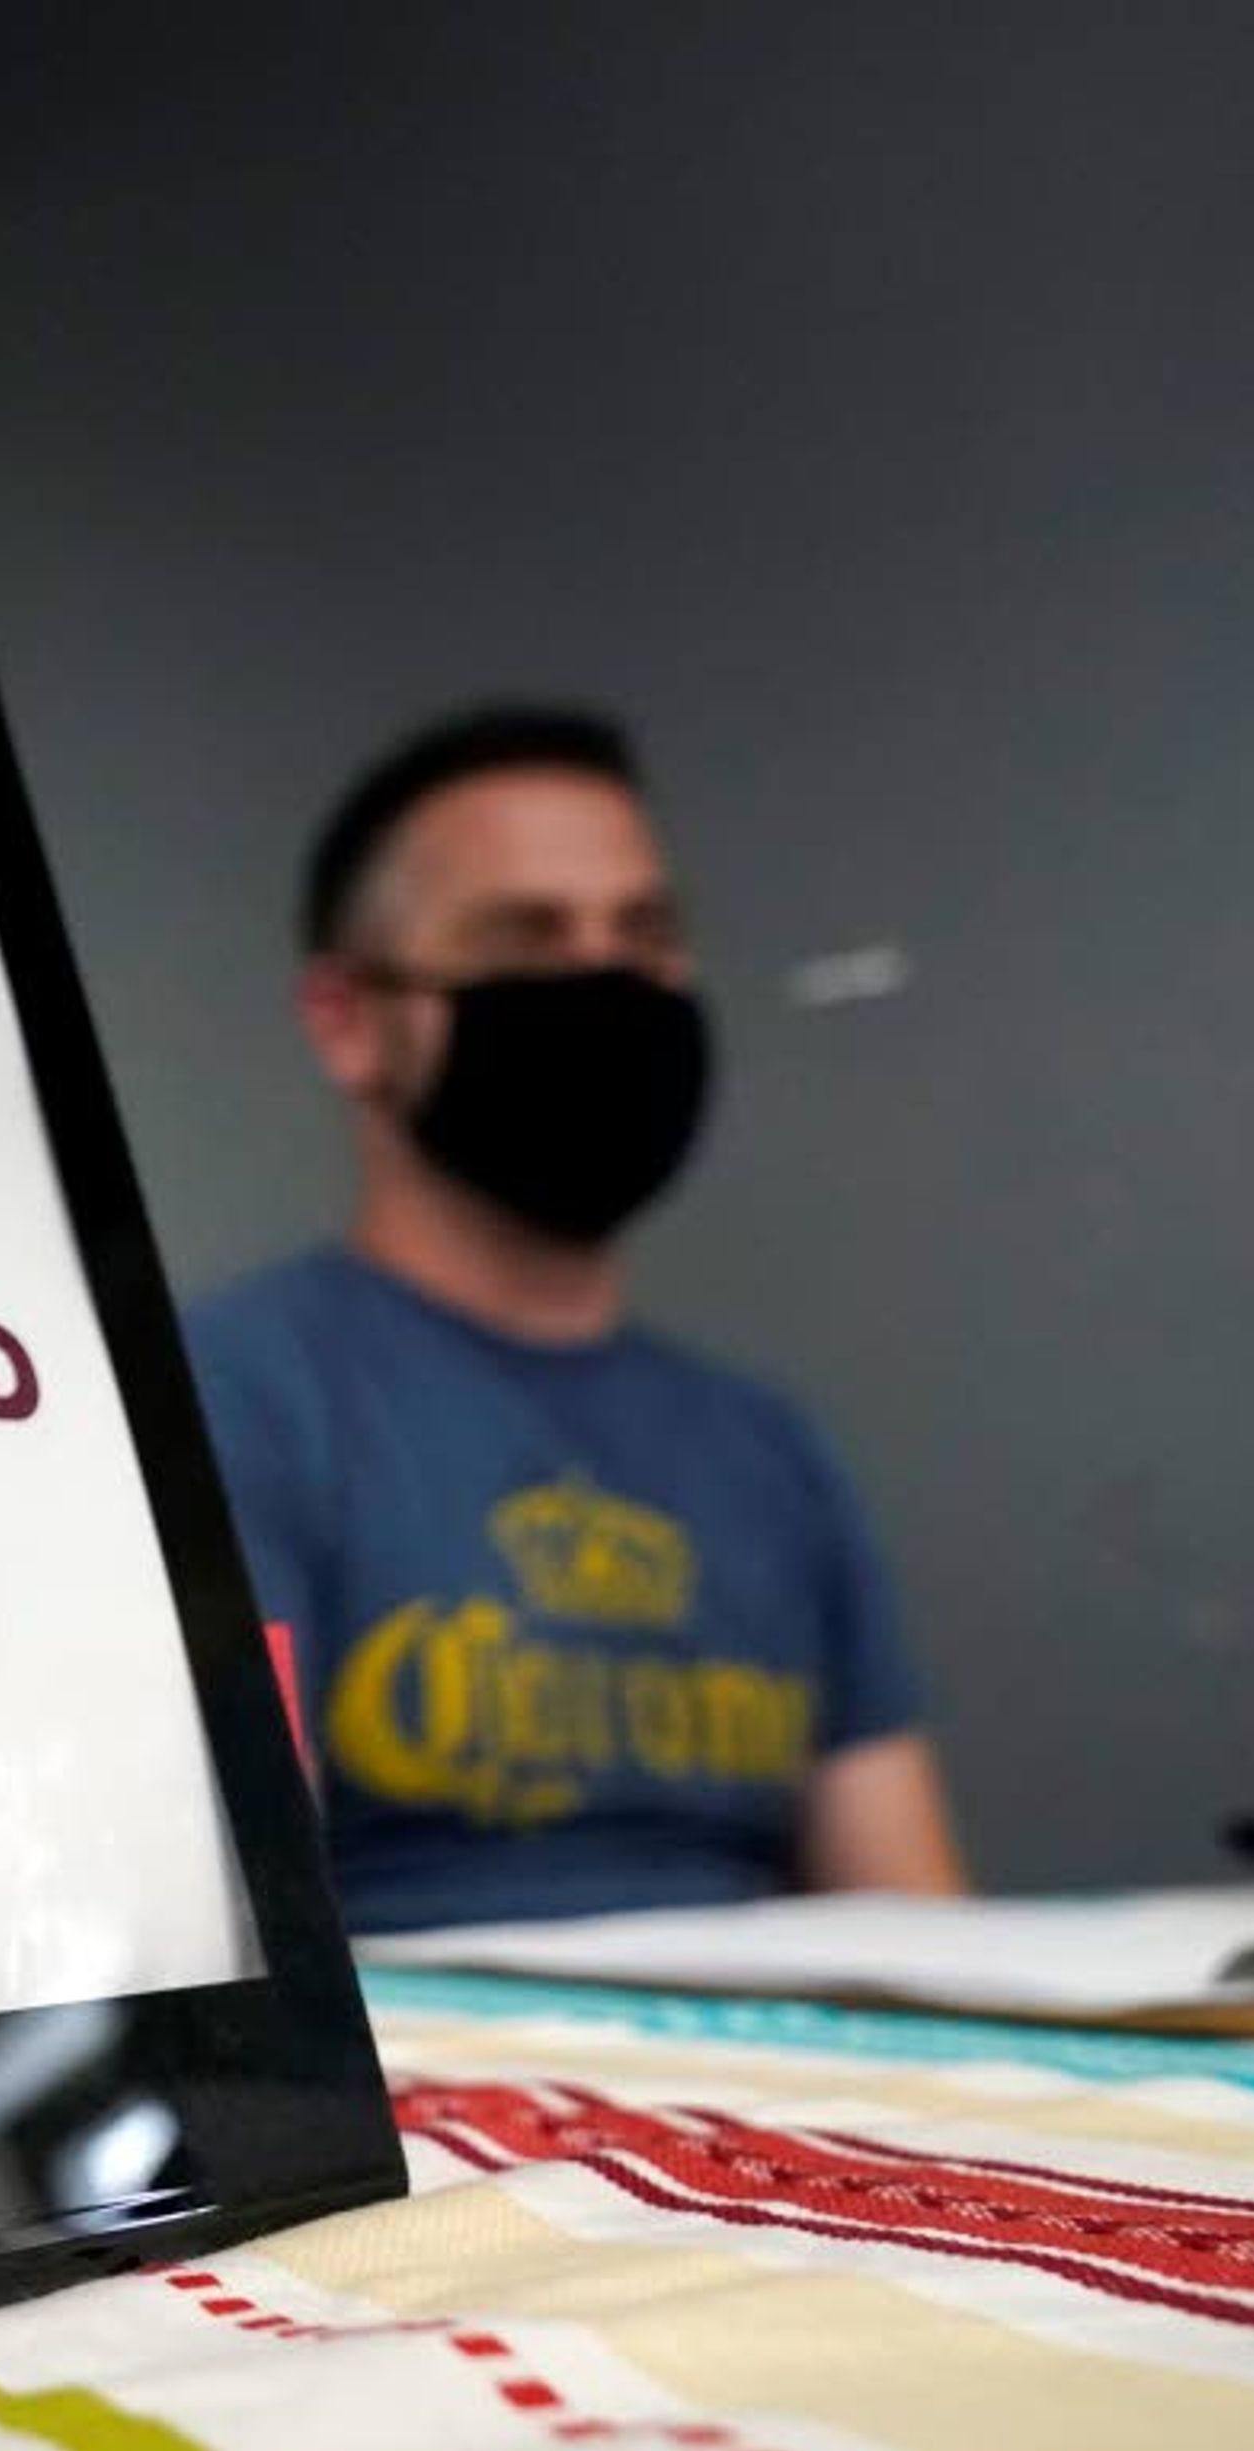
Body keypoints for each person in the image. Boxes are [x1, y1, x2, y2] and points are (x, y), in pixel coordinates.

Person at [188, 704, 965, 1932]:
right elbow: (246, 1925)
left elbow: (917, 1915)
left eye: (645, 935)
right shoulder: (226, 1400)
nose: (605, 980)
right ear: (348, 1021)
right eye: (528, 939)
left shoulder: (771, 1449)